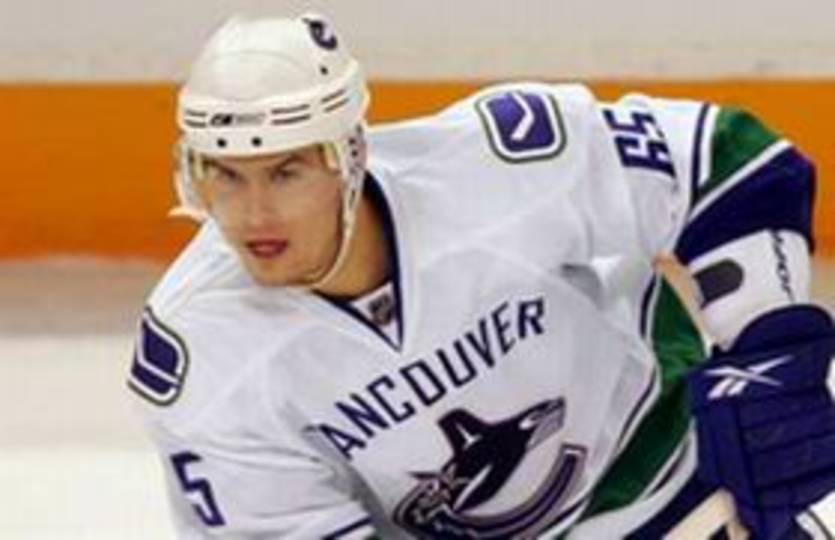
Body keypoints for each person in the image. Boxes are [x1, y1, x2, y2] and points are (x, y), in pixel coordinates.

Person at [128, 12, 835, 539]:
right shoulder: (201, 355)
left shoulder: (494, 163)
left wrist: (766, 350)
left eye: (286, 172)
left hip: (673, 471)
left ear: (349, 159)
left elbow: (726, 163)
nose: (253, 214)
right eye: (224, 175)